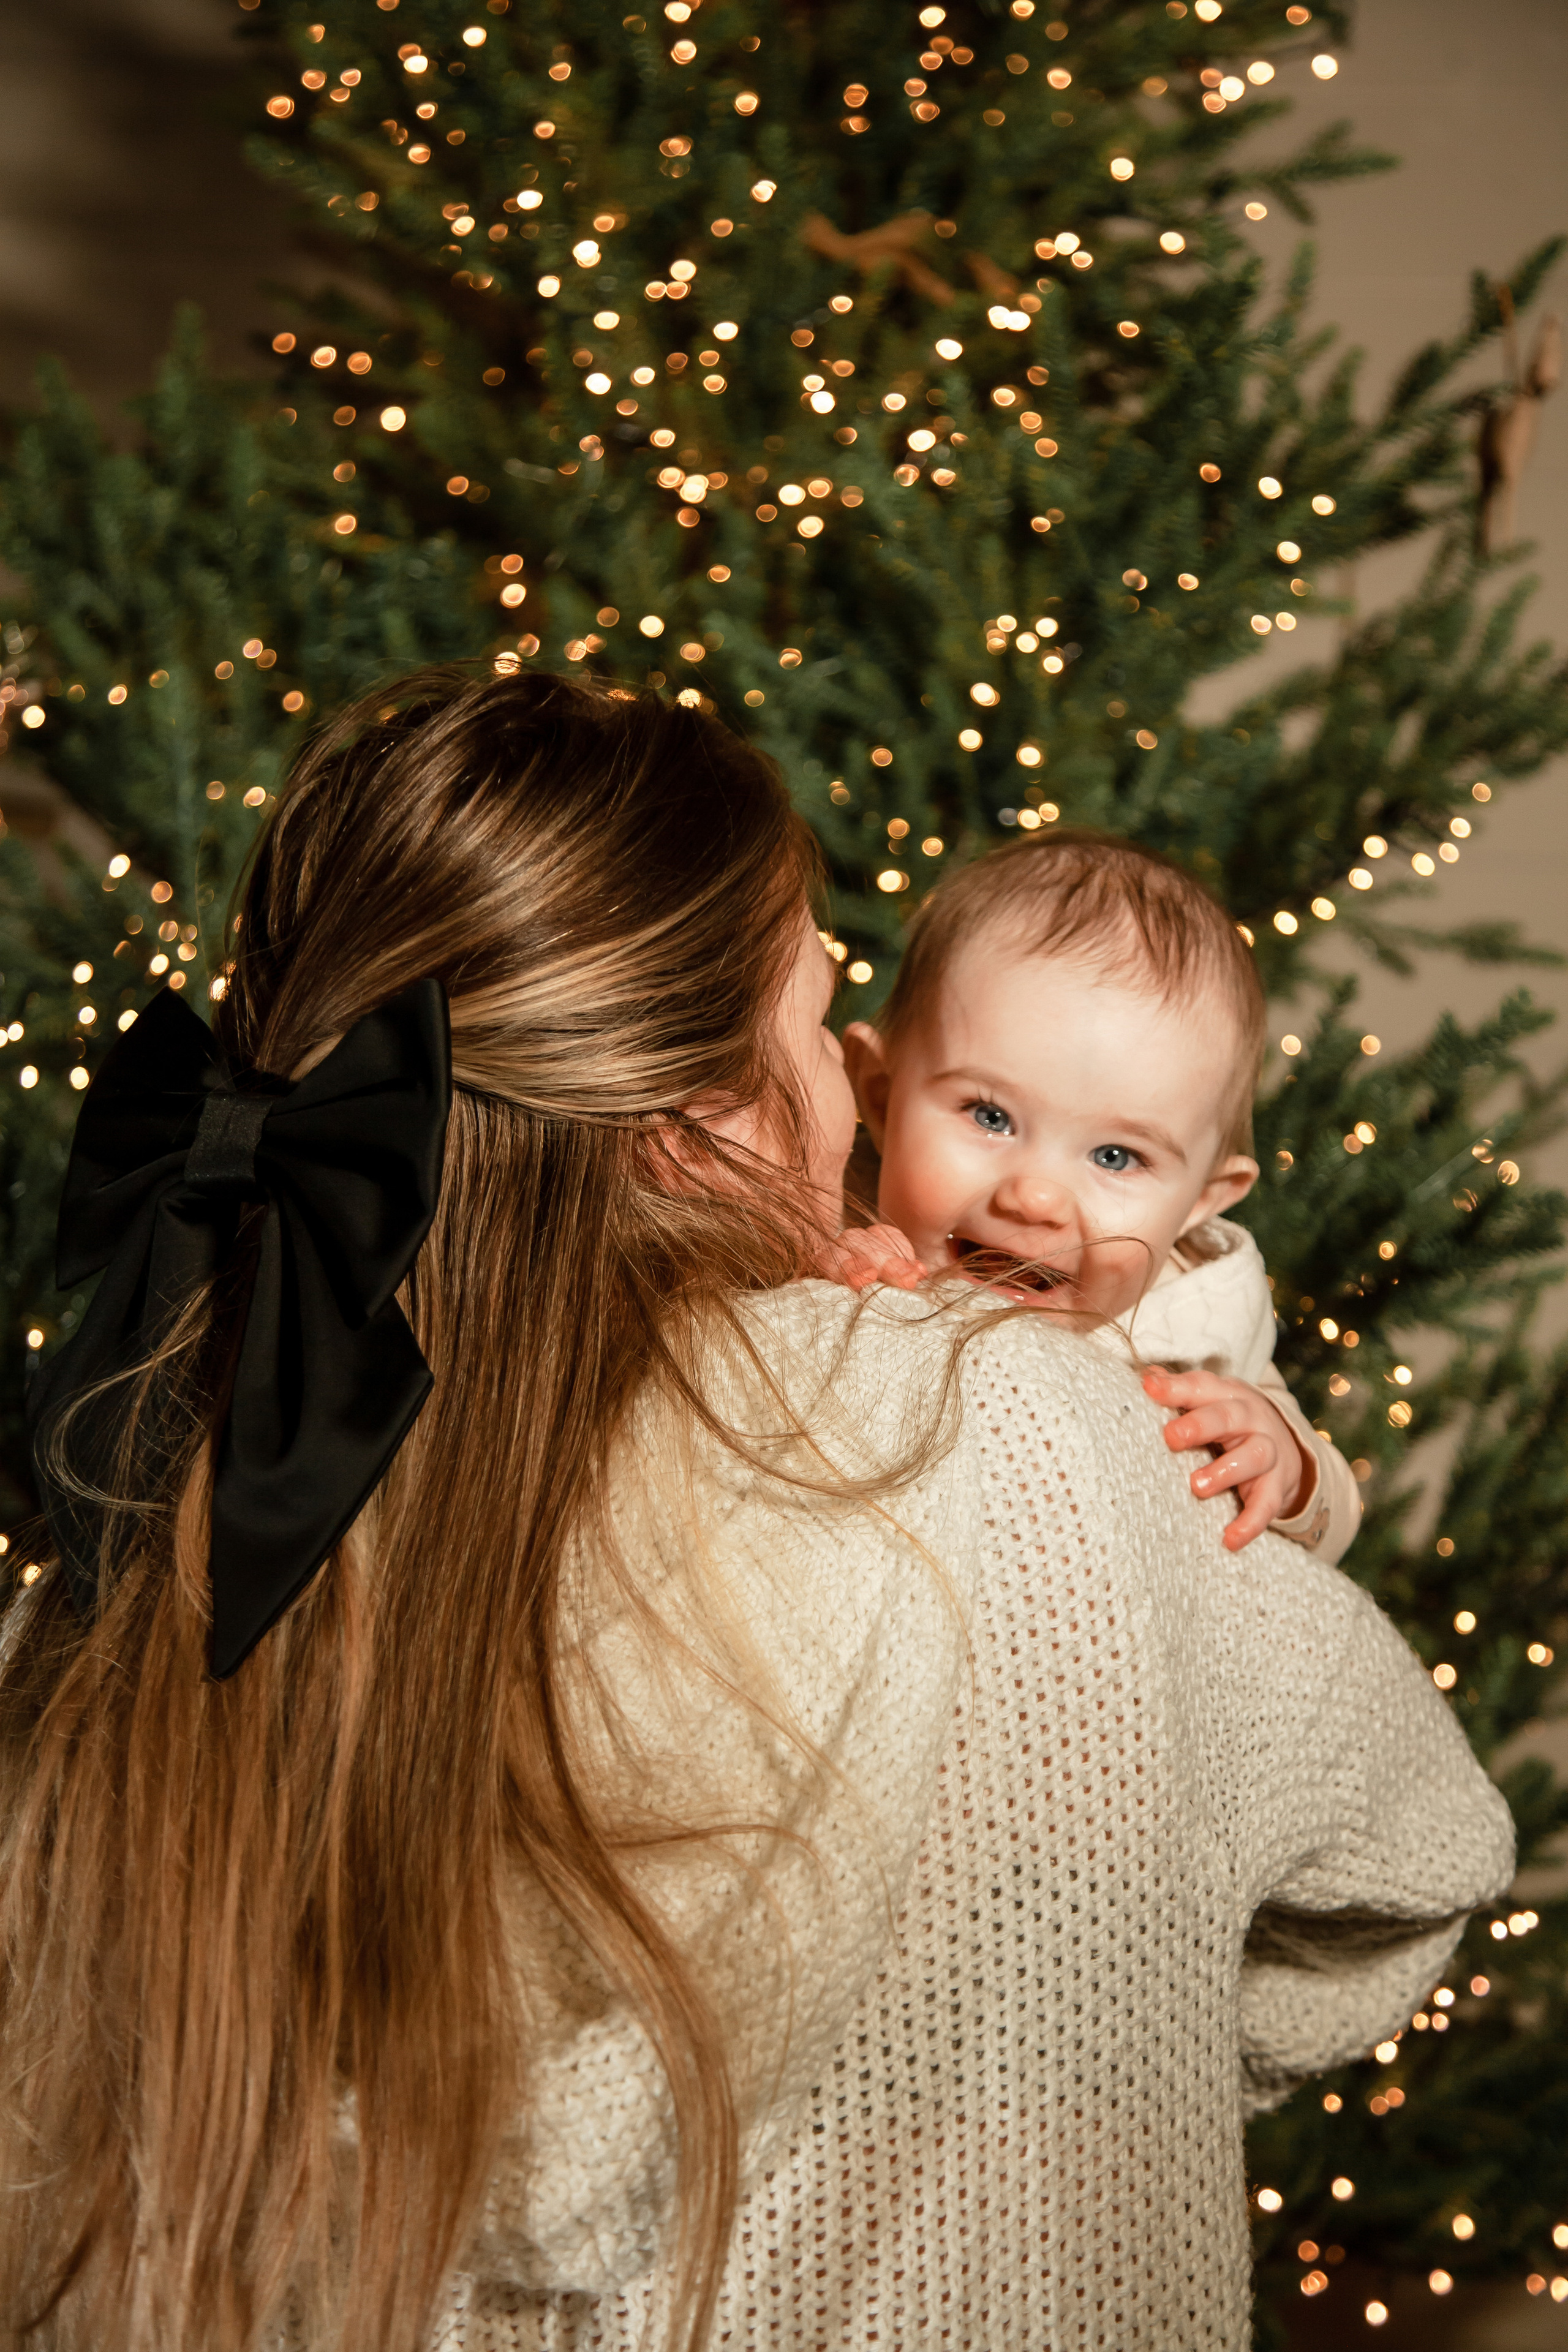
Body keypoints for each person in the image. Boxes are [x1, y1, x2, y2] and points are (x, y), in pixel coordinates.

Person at [1, 670, 1510, 2352]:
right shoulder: (1006, 1414)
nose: (860, 1096)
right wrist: (1059, 2025)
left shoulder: (155, 1505)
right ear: (696, 1129)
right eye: (817, 1023)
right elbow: (1422, 1851)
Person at [840, 829, 1362, 1558]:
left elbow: (1333, 1527)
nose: (1036, 1199)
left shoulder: (1197, 1321)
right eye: (991, 1116)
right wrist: (819, 1266)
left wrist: (1285, 1461)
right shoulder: (831, 1217)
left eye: (1116, 1156)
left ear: (1202, 1203)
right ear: (881, 1096)